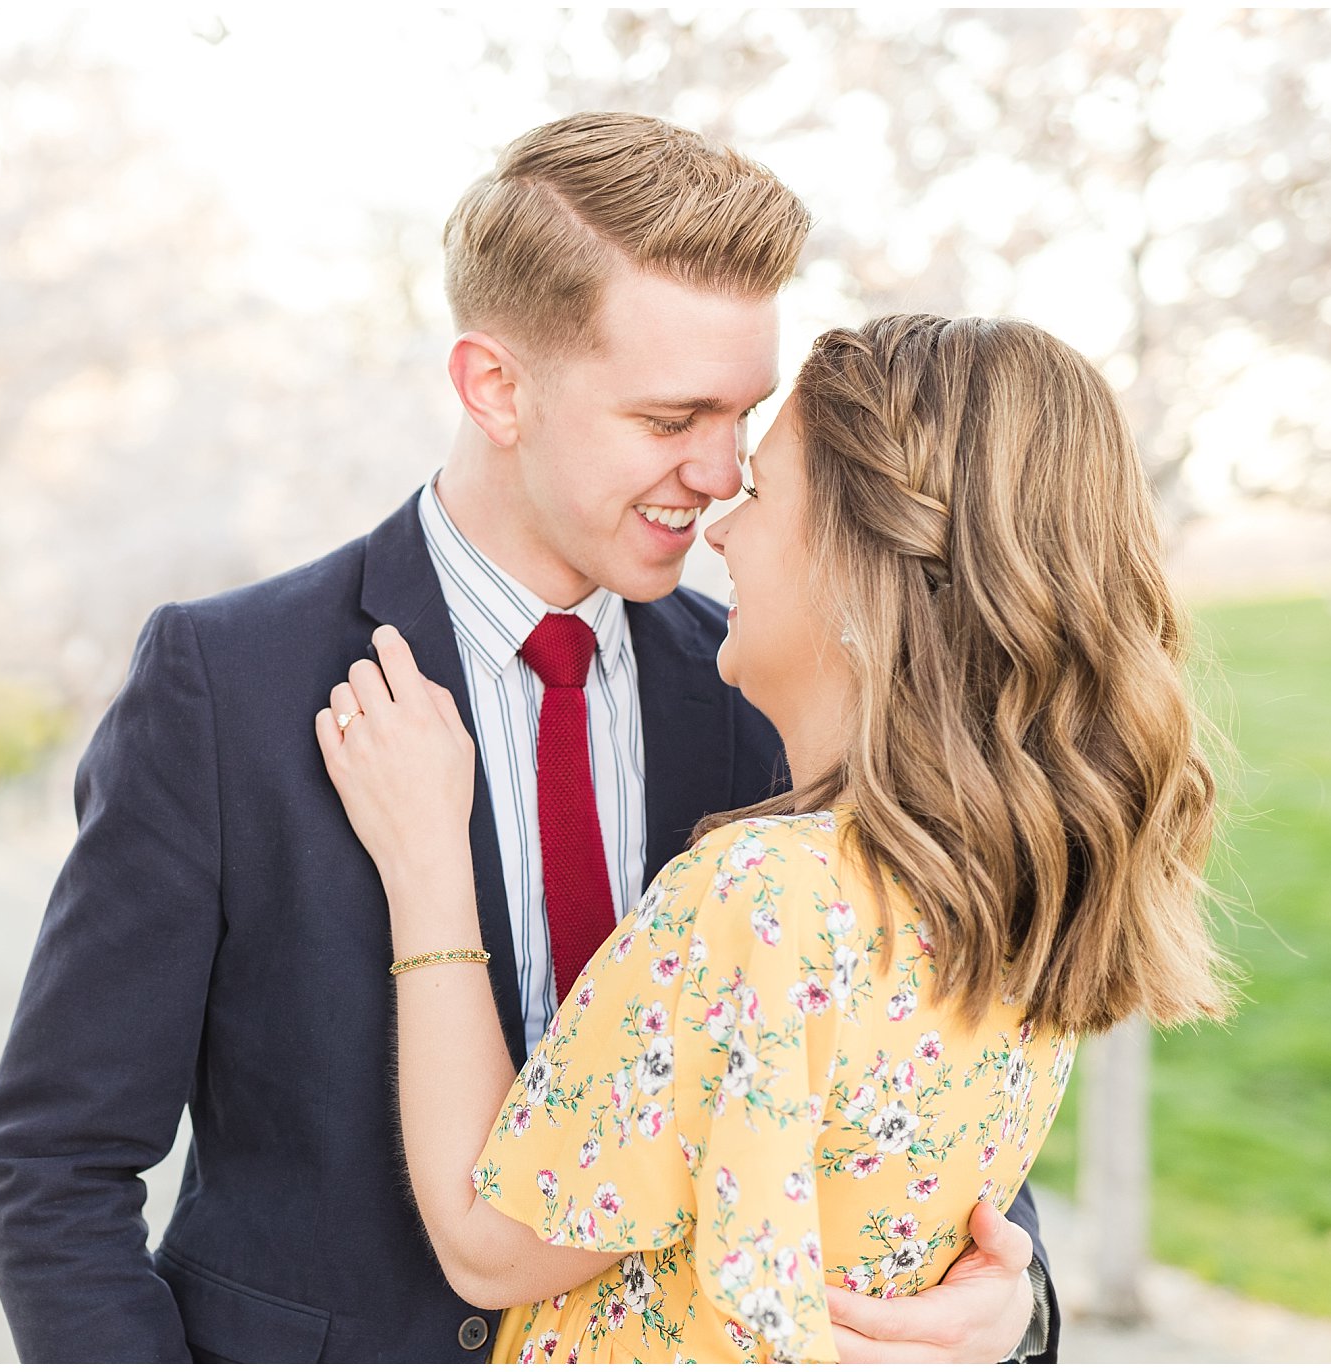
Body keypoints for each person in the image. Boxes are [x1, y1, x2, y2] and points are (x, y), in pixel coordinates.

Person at [0, 113, 1056, 1362]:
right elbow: (55, 1162)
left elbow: (891, 1084)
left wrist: (1012, 1305)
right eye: (670, 418)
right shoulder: (226, 682)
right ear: (495, 387)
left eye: (744, 416)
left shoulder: (773, 689)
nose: (720, 477)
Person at [316, 313, 1232, 1361]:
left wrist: (427, 858)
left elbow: (487, 1247)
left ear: (861, 561)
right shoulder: (1026, 878)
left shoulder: (766, 892)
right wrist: (1010, 1312)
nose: (719, 526)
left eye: (759, 490)